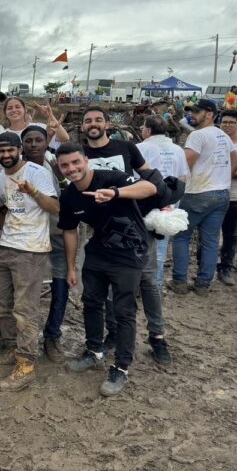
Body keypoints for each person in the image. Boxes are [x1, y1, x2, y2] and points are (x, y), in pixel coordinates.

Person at [57, 143, 156, 396]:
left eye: (76, 162)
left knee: (123, 311)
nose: (72, 169)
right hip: (99, 250)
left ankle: (121, 367)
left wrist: (115, 193)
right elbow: (69, 230)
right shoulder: (68, 196)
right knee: (91, 301)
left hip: (130, 251)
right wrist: (71, 268)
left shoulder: (111, 177)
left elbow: (149, 187)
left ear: (86, 160)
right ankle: (94, 350)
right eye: (65, 165)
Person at [82, 106, 171, 362]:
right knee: (110, 285)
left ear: (107, 123)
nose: (93, 123)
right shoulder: (82, 154)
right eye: (88, 121)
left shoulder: (126, 147)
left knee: (148, 281)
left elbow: (151, 178)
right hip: (102, 230)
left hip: (135, 225)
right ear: (83, 127)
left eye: (98, 119)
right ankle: (114, 333)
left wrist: (162, 200)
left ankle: (157, 337)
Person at [0, 132, 58, 391]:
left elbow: (54, 207)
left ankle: (26, 364)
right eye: (1, 152)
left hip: (31, 250)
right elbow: (1, 210)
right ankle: (13, 347)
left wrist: (32, 190)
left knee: (25, 310)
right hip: (5, 247)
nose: (6, 155)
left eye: (10, 150)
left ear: (20, 149)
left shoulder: (37, 172)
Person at [170, 99, 237, 295]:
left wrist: (175, 185)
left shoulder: (197, 135)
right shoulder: (223, 135)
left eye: (197, 112)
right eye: (191, 111)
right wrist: (223, 178)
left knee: (181, 236)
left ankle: (179, 282)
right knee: (209, 239)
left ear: (209, 114)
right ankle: (203, 285)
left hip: (198, 193)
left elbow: (186, 163)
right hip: (221, 193)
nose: (192, 115)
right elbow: (235, 160)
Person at [21, 125, 69, 363]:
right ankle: (23, 336)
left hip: (56, 231)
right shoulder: (17, 168)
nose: (33, 145)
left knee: (61, 283)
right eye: (28, 140)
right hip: (27, 236)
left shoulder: (56, 165)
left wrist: (61, 175)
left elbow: (70, 191)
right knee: (27, 288)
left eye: (38, 140)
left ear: (46, 142)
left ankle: (52, 335)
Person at [136, 116, 189, 289]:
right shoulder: (177, 150)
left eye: (143, 127)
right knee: (160, 247)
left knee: (138, 245)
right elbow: (183, 178)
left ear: (148, 130)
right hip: (168, 203)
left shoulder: (140, 148)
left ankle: (136, 286)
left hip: (143, 204)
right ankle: (154, 287)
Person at [216, 110, 237, 286]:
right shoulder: (215, 143)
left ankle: (226, 267)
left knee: (231, 234)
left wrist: (226, 172)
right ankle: (206, 268)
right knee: (209, 234)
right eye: (224, 122)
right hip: (213, 194)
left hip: (235, 196)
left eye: (232, 122)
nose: (227, 125)